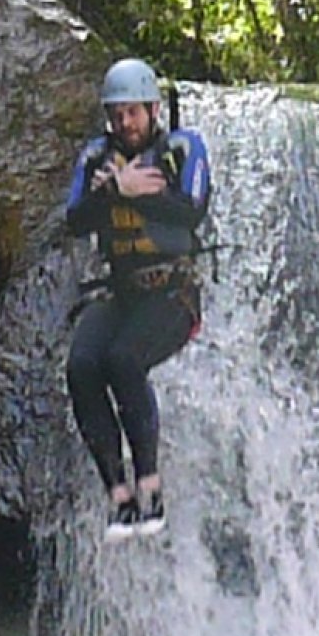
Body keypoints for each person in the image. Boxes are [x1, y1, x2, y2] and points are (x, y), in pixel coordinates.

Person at [64, 57, 212, 540]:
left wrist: (131, 192)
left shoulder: (182, 149)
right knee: (83, 365)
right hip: (120, 292)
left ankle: (150, 488)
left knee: (123, 359)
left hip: (172, 294)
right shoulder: (95, 158)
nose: (125, 124)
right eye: (116, 115)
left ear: (152, 109)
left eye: (133, 113)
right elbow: (76, 221)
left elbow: (189, 211)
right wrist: (113, 192)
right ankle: (120, 498)